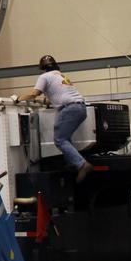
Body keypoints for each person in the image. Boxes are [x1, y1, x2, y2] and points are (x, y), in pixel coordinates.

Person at [15, 55, 92, 183]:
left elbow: (34, 94)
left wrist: (18, 98)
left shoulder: (44, 77)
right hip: (80, 108)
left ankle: (82, 164)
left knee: (60, 139)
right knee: (66, 138)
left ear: (43, 68)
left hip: (69, 109)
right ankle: (72, 164)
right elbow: (56, 96)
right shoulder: (61, 76)